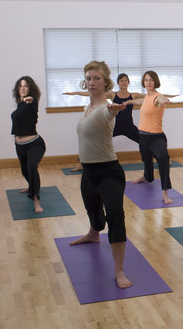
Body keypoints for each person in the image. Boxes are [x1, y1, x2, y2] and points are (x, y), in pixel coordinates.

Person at [69, 60, 132, 289]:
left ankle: (119, 270)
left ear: (106, 82)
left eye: (96, 78)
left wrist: (113, 108)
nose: (91, 82)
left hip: (109, 172)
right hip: (88, 172)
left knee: (115, 216)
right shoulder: (86, 109)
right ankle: (93, 234)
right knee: (94, 213)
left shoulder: (106, 107)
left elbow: (109, 112)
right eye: (88, 78)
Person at [64, 73, 145, 171]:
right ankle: (82, 164)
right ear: (118, 83)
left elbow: (149, 95)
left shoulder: (133, 95)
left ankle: (160, 158)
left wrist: (162, 96)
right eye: (121, 81)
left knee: (144, 141)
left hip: (128, 126)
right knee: (93, 138)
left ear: (128, 82)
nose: (124, 83)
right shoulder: (112, 94)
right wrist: (76, 93)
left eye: (125, 80)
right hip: (115, 125)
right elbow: (94, 93)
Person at [125, 70, 174, 204]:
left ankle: (165, 192)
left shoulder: (157, 97)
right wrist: (128, 102)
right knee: (146, 160)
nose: (148, 82)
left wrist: (164, 99)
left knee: (163, 159)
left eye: (151, 80)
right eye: (146, 80)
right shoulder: (146, 97)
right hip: (143, 136)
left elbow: (159, 99)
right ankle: (146, 177)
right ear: (143, 82)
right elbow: (140, 101)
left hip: (156, 137)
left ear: (155, 82)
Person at [11, 76, 46, 214]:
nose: (23, 88)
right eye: (20, 86)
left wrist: (28, 100)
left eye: (26, 86)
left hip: (34, 144)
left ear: (30, 89)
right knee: (25, 171)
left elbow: (30, 101)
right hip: (20, 146)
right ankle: (32, 185)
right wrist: (23, 102)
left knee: (31, 167)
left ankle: (36, 200)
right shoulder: (20, 104)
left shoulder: (32, 102)